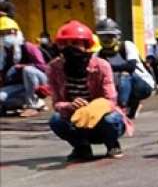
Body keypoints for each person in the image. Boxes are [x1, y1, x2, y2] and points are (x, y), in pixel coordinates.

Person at [46, 20, 131, 160]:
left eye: (75, 43)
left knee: (111, 119)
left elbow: (111, 100)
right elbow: (56, 103)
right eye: (65, 44)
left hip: (101, 119)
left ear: (86, 46)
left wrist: (92, 108)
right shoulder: (54, 68)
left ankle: (112, 144)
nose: (70, 48)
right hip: (75, 119)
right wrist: (69, 105)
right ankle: (82, 147)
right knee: (56, 120)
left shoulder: (101, 66)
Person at [94, 17, 154, 118]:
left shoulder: (126, 46)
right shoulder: (98, 55)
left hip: (142, 85)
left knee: (125, 75)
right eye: (103, 36)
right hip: (119, 88)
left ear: (117, 36)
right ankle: (131, 106)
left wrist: (107, 67)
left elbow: (130, 67)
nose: (106, 39)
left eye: (110, 36)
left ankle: (122, 108)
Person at [0, 16, 49, 115]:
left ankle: (32, 105)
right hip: (18, 85)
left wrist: (23, 66)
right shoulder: (2, 51)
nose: (5, 36)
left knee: (28, 70)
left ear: (16, 32)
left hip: (37, 81)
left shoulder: (28, 47)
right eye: (2, 33)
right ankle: (33, 102)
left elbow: (44, 67)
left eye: (9, 32)